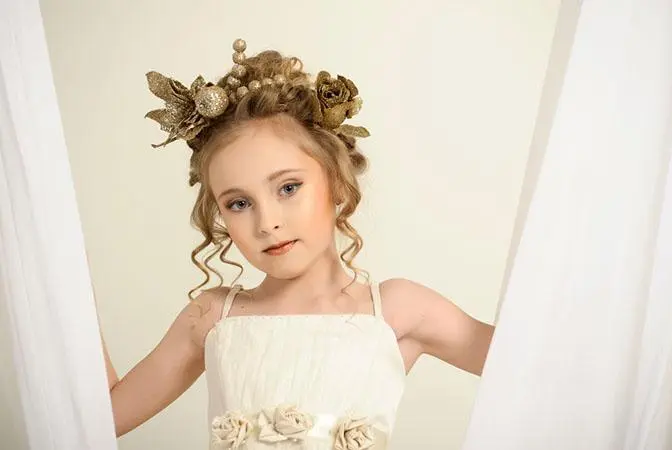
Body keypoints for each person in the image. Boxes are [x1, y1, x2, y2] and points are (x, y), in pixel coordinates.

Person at [101, 37, 495, 450]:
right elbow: (102, 416)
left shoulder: (400, 309)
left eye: (288, 188)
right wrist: (61, 277)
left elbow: (537, 369)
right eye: (238, 203)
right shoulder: (212, 316)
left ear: (337, 182)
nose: (268, 223)